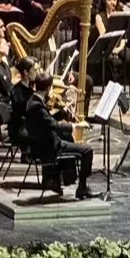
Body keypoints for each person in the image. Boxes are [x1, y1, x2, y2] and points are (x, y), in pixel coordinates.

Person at [24, 71, 96, 199]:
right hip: (48, 147)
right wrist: (77, 125)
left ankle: (58, 179)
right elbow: (53, 125)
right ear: (48, 88)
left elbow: (47, 123)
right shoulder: (38, 107)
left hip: (39, 144)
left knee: (67, 136)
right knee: (87, 150)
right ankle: (82, 187)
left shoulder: (31, 100)